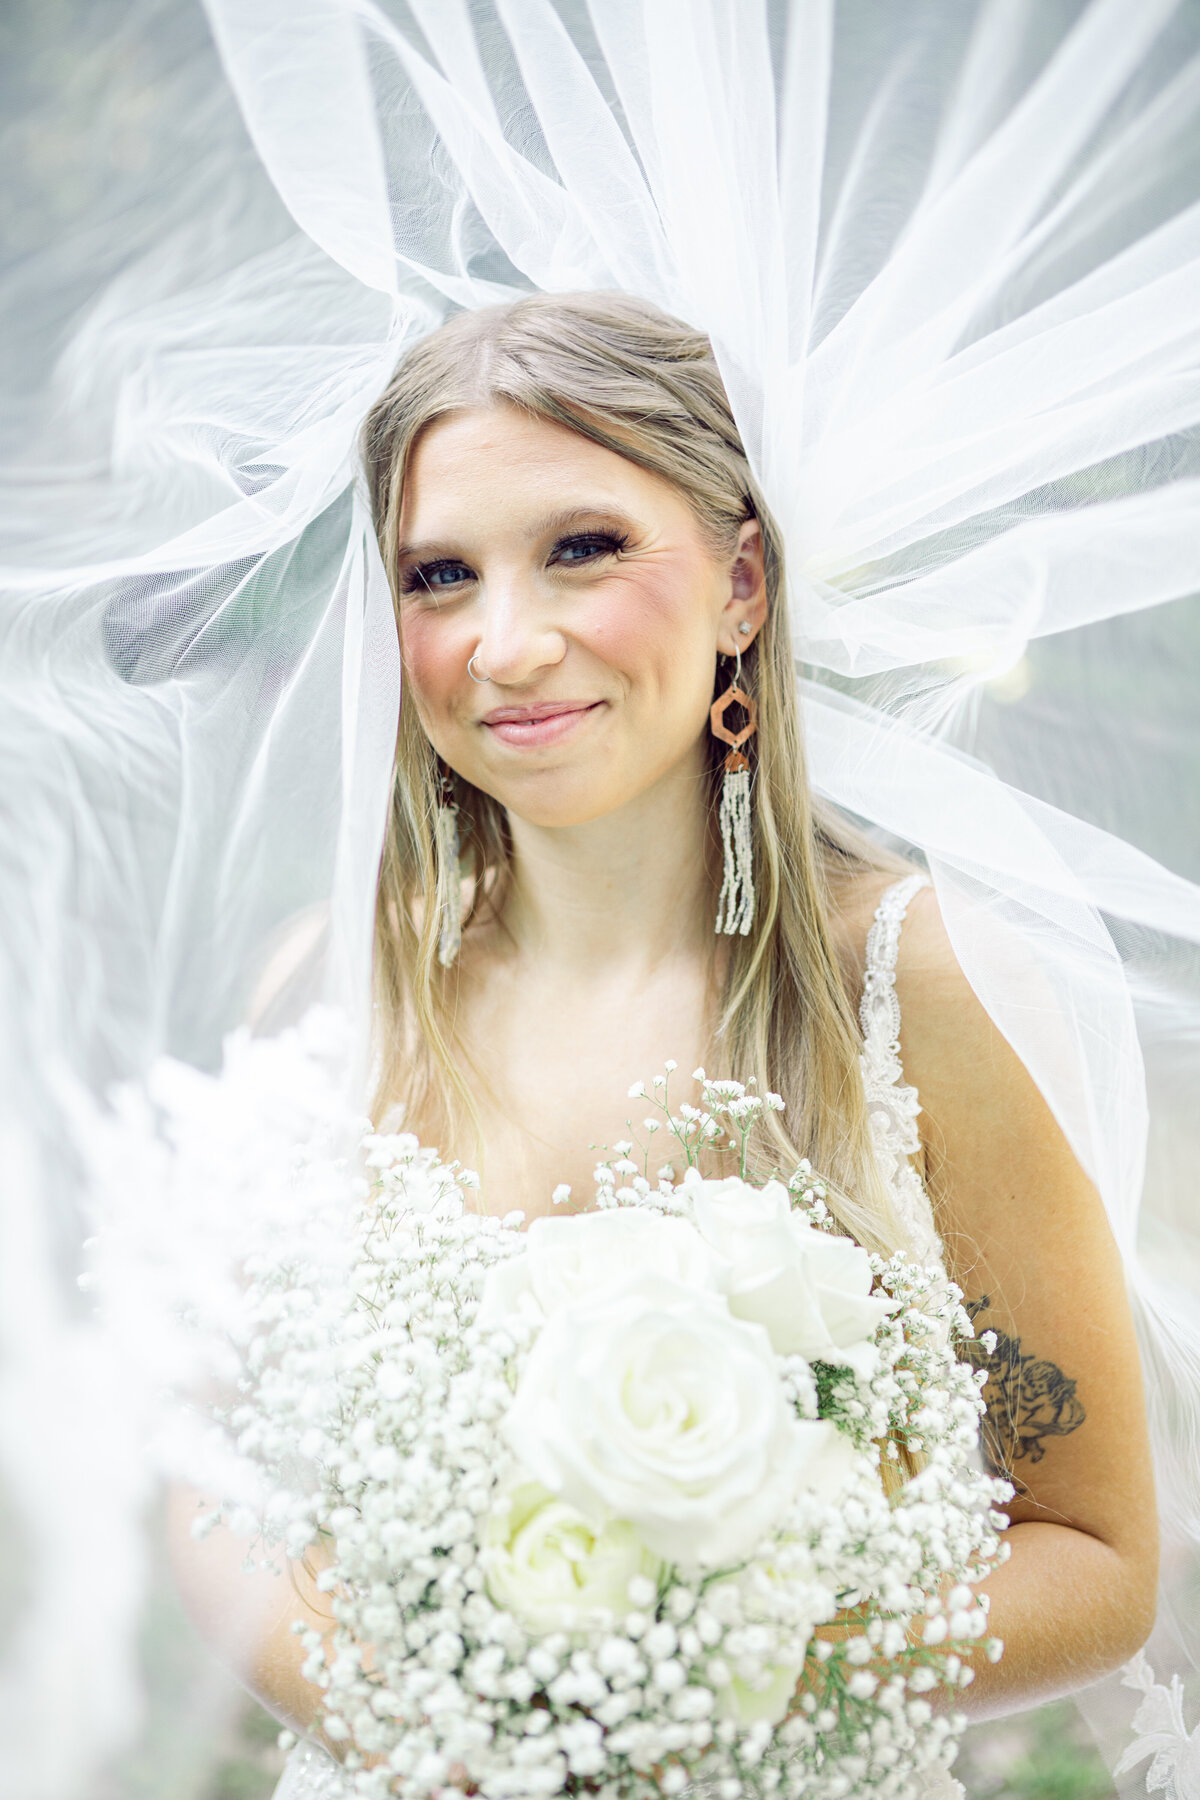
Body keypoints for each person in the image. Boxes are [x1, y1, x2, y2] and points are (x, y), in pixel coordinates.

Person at [170, 292, 1159, 1796]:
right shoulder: (332, 990)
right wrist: (423, 1738)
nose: (508, 645)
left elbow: (1093, 1552)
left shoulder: (912, 985)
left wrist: (700, 1688)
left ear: (742, 583)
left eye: (583, 548)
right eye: (440, 575)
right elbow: (211, 1475)